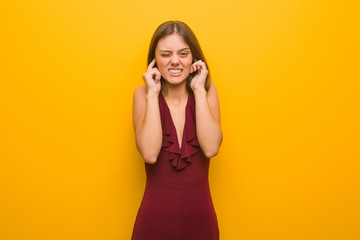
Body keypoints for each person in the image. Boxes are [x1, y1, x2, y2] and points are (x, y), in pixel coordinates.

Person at [131, 20, 223, 240]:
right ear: (154, 60)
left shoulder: (208, 92)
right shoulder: (142, 96)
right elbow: (150, 154)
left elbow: (211, 148)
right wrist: (153, 94)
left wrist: (199, 90)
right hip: (153, 222)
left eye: (183, 53)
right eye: (165, 54)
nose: (175, 61)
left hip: (201, 222)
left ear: (194, 58)